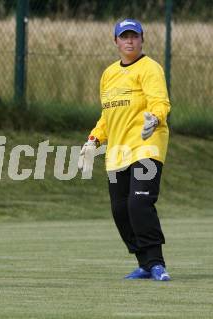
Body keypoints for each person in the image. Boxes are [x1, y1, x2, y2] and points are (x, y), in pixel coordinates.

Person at [78, 19, 171, 281]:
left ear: (142, 40)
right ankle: (143, 263)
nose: (129, 41)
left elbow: (160, 102)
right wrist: (93, 141)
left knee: (139, 203)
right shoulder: (109, 74)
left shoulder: (150, 68)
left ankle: (156, 264)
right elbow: (107, 116)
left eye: (134, 36)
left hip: (147, 145)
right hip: (117, 153)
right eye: (124, 36)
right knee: (120, 210)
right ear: (116, 41)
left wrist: (154, 118)